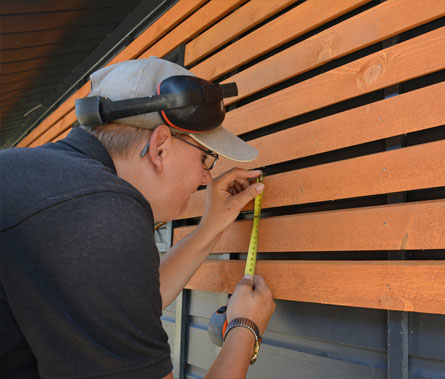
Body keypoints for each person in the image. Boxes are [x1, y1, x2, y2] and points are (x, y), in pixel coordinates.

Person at [0, 57, 276, 378]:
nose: (205, 178)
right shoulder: (97, 210)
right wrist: (244, 328)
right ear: (160, 146)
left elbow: (124, 305)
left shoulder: (55, 185)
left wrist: (211, 227)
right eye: (205, 158)